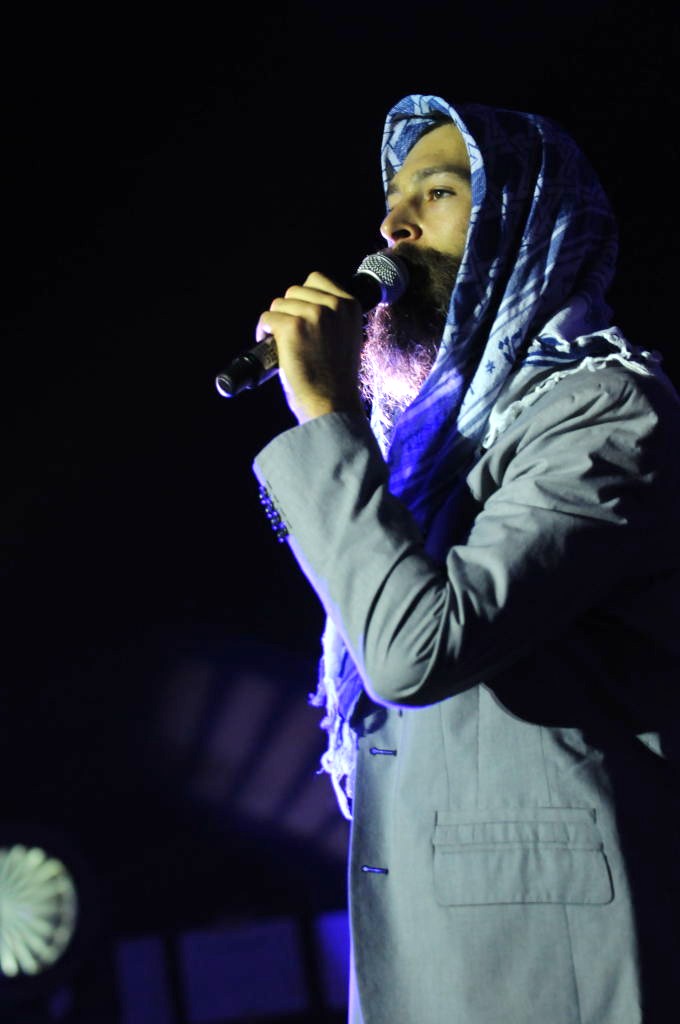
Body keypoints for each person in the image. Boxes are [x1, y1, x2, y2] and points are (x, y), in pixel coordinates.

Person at [250, 93, 680, 1022]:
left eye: (437, 193)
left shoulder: (605, 409)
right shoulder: (424, 451)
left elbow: (416, 650)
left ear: (526, 224)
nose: (392, 226)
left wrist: (324, 418)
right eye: (391, 201)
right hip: (424, 954)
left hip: (550, 965)